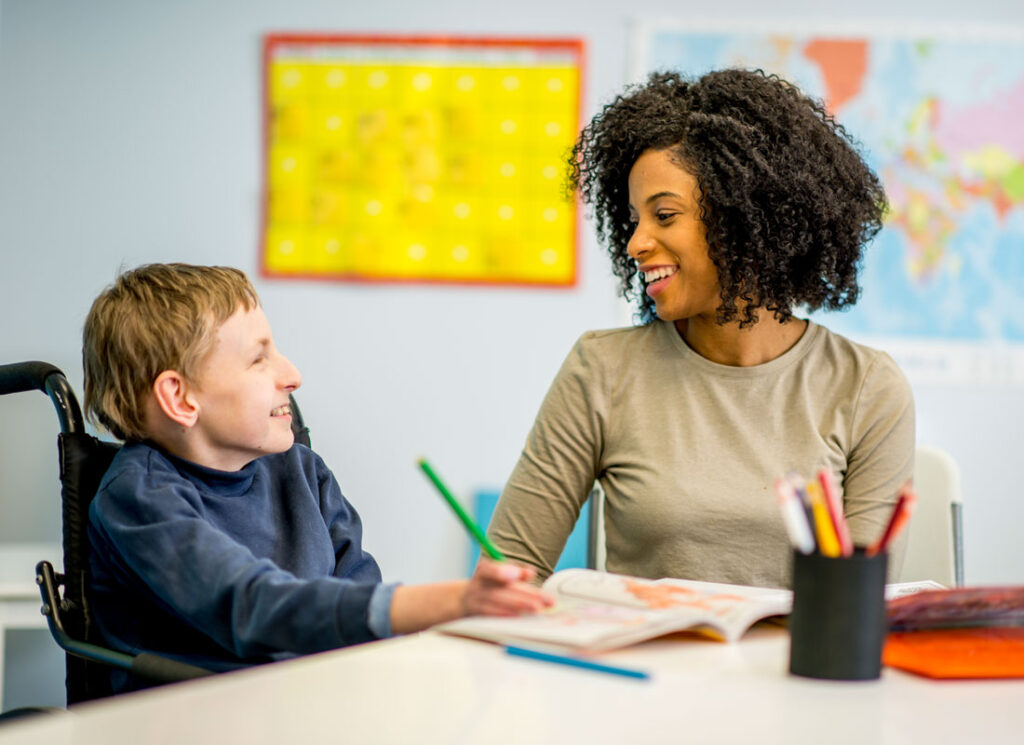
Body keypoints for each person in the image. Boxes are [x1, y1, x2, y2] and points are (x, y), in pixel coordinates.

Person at [487, 69, 915, 588]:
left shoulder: (867, 386)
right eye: (634, 219)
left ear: (748, 218)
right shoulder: (601, 370)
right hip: (643, 644)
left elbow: (859, 603)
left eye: (665, 215)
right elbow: (508, 576)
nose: (636, 243)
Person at [83, 263, 551, 691]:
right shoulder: (137, 497)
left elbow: (361, 603)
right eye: (258, 359)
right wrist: (452, 600)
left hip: (314, 702)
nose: (292, 375)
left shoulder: (302, 471)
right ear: (181, 398)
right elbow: (253, 606)